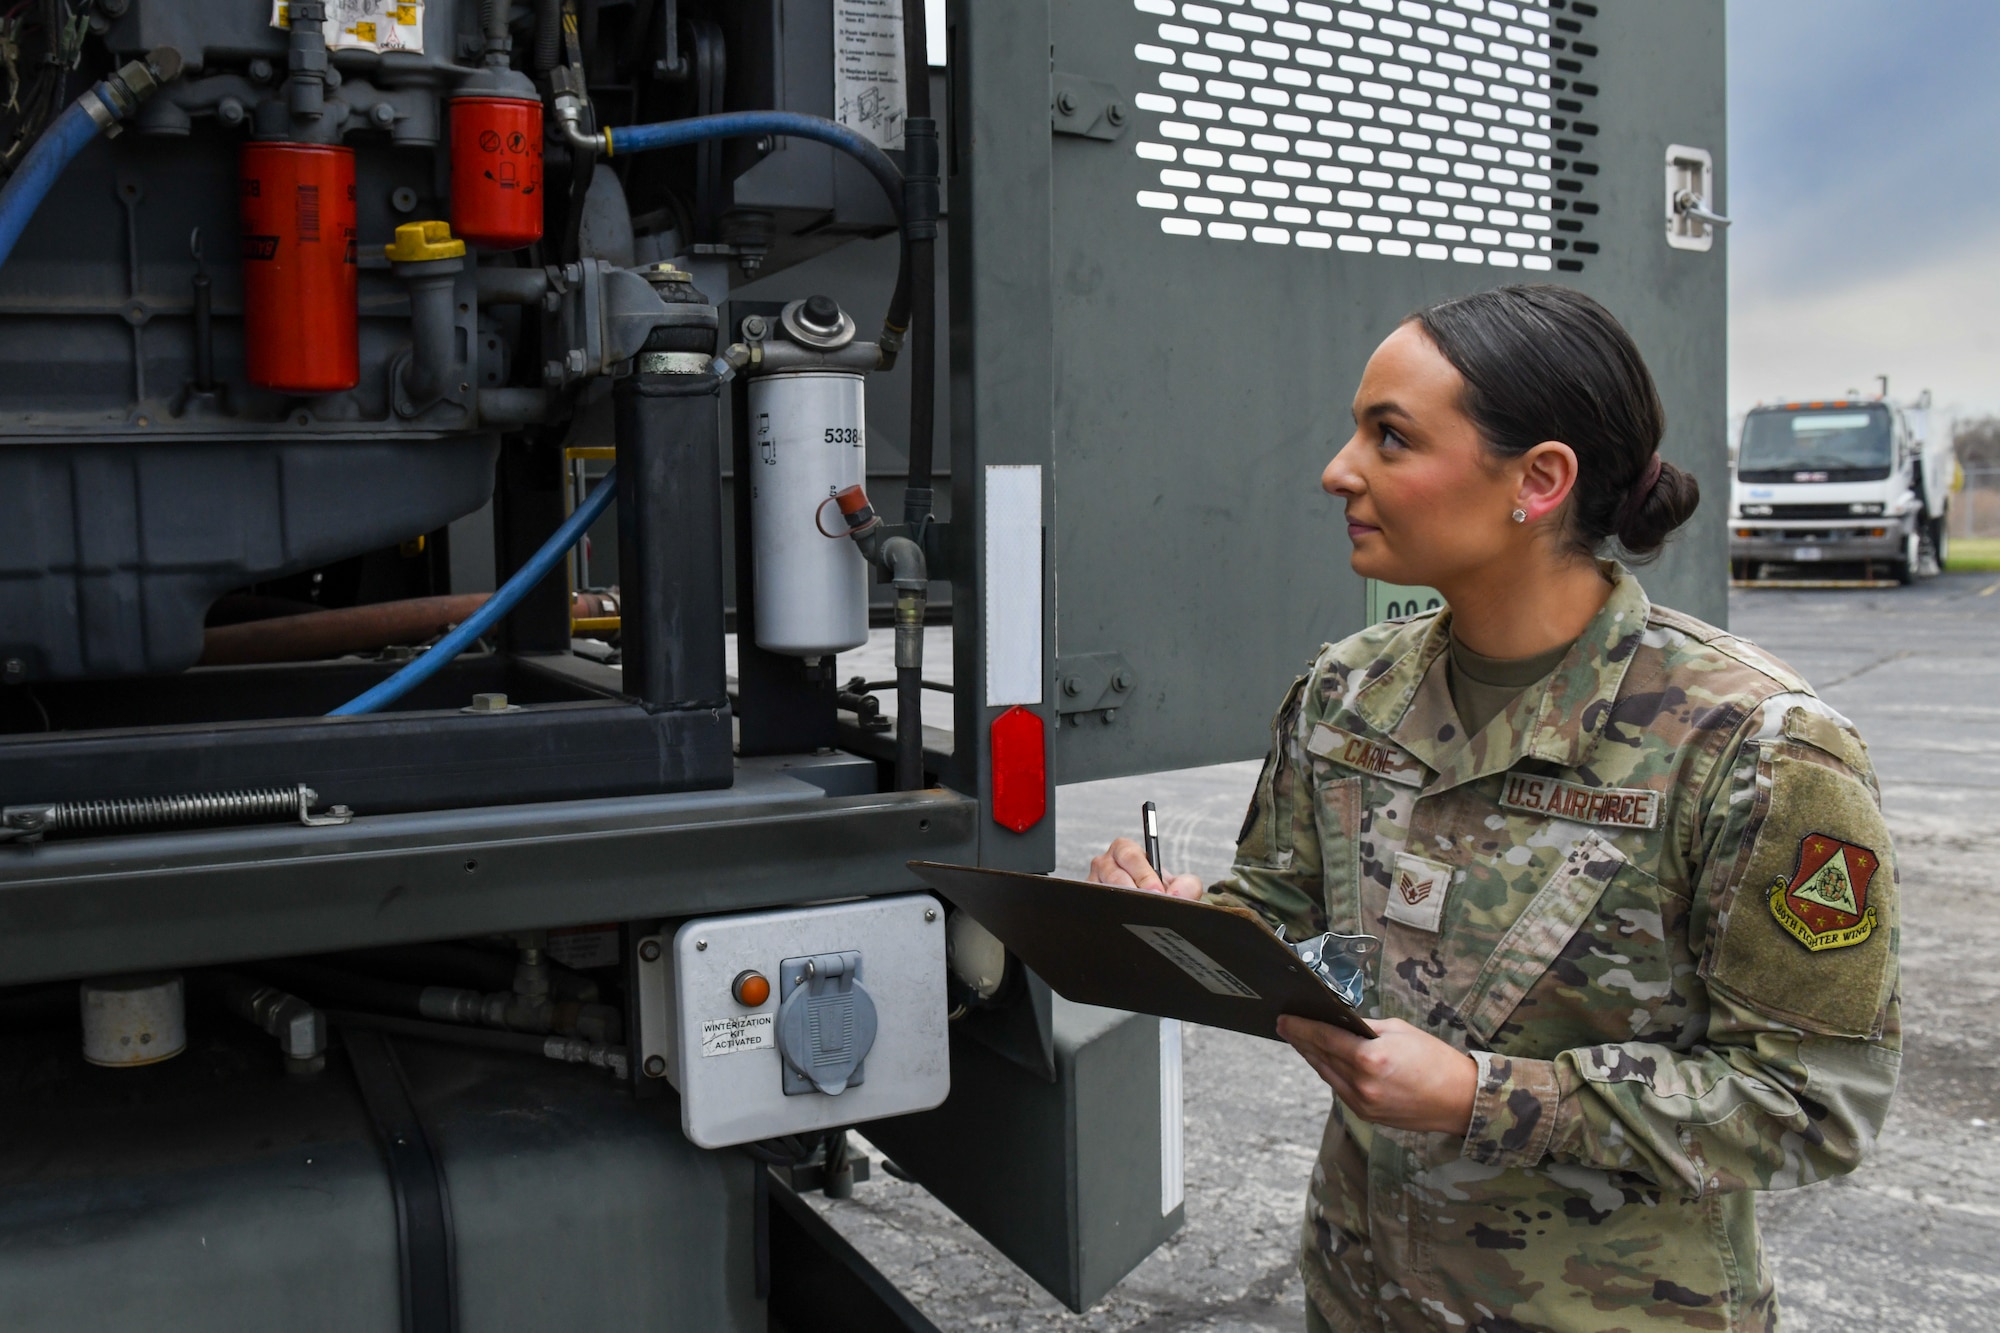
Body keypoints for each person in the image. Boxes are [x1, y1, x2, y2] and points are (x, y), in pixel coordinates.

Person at [1089, 286, 1899, 1333]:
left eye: (1390, 437)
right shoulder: (1348, 690)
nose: (1337, 469)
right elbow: (1294, 921)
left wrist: (1484, 1097)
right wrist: (1183, 921)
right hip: (1360, 1292)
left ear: (1539, 480)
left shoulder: (1752, 746)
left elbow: (1812, 1102)